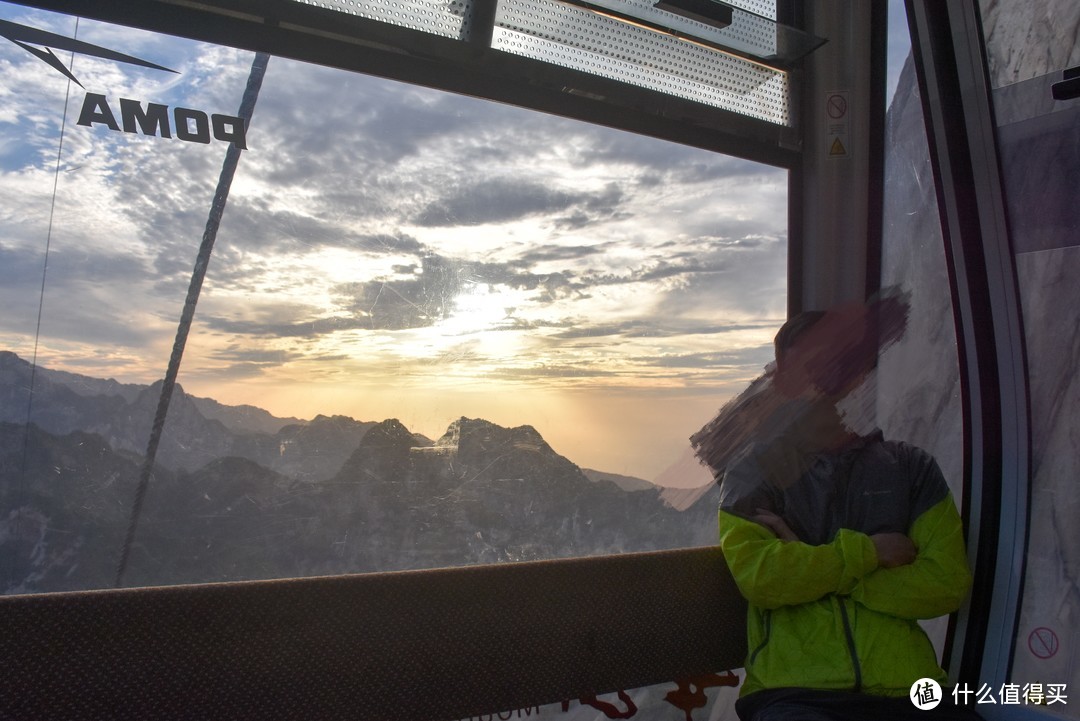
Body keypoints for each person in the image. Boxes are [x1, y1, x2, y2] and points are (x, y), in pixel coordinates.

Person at [713, 304, 981, 720]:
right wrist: (871, 554)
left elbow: (946, 585)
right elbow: (762, 577)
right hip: (796, 694)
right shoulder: (753, 472)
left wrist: (821, 565)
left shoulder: (911, 468)